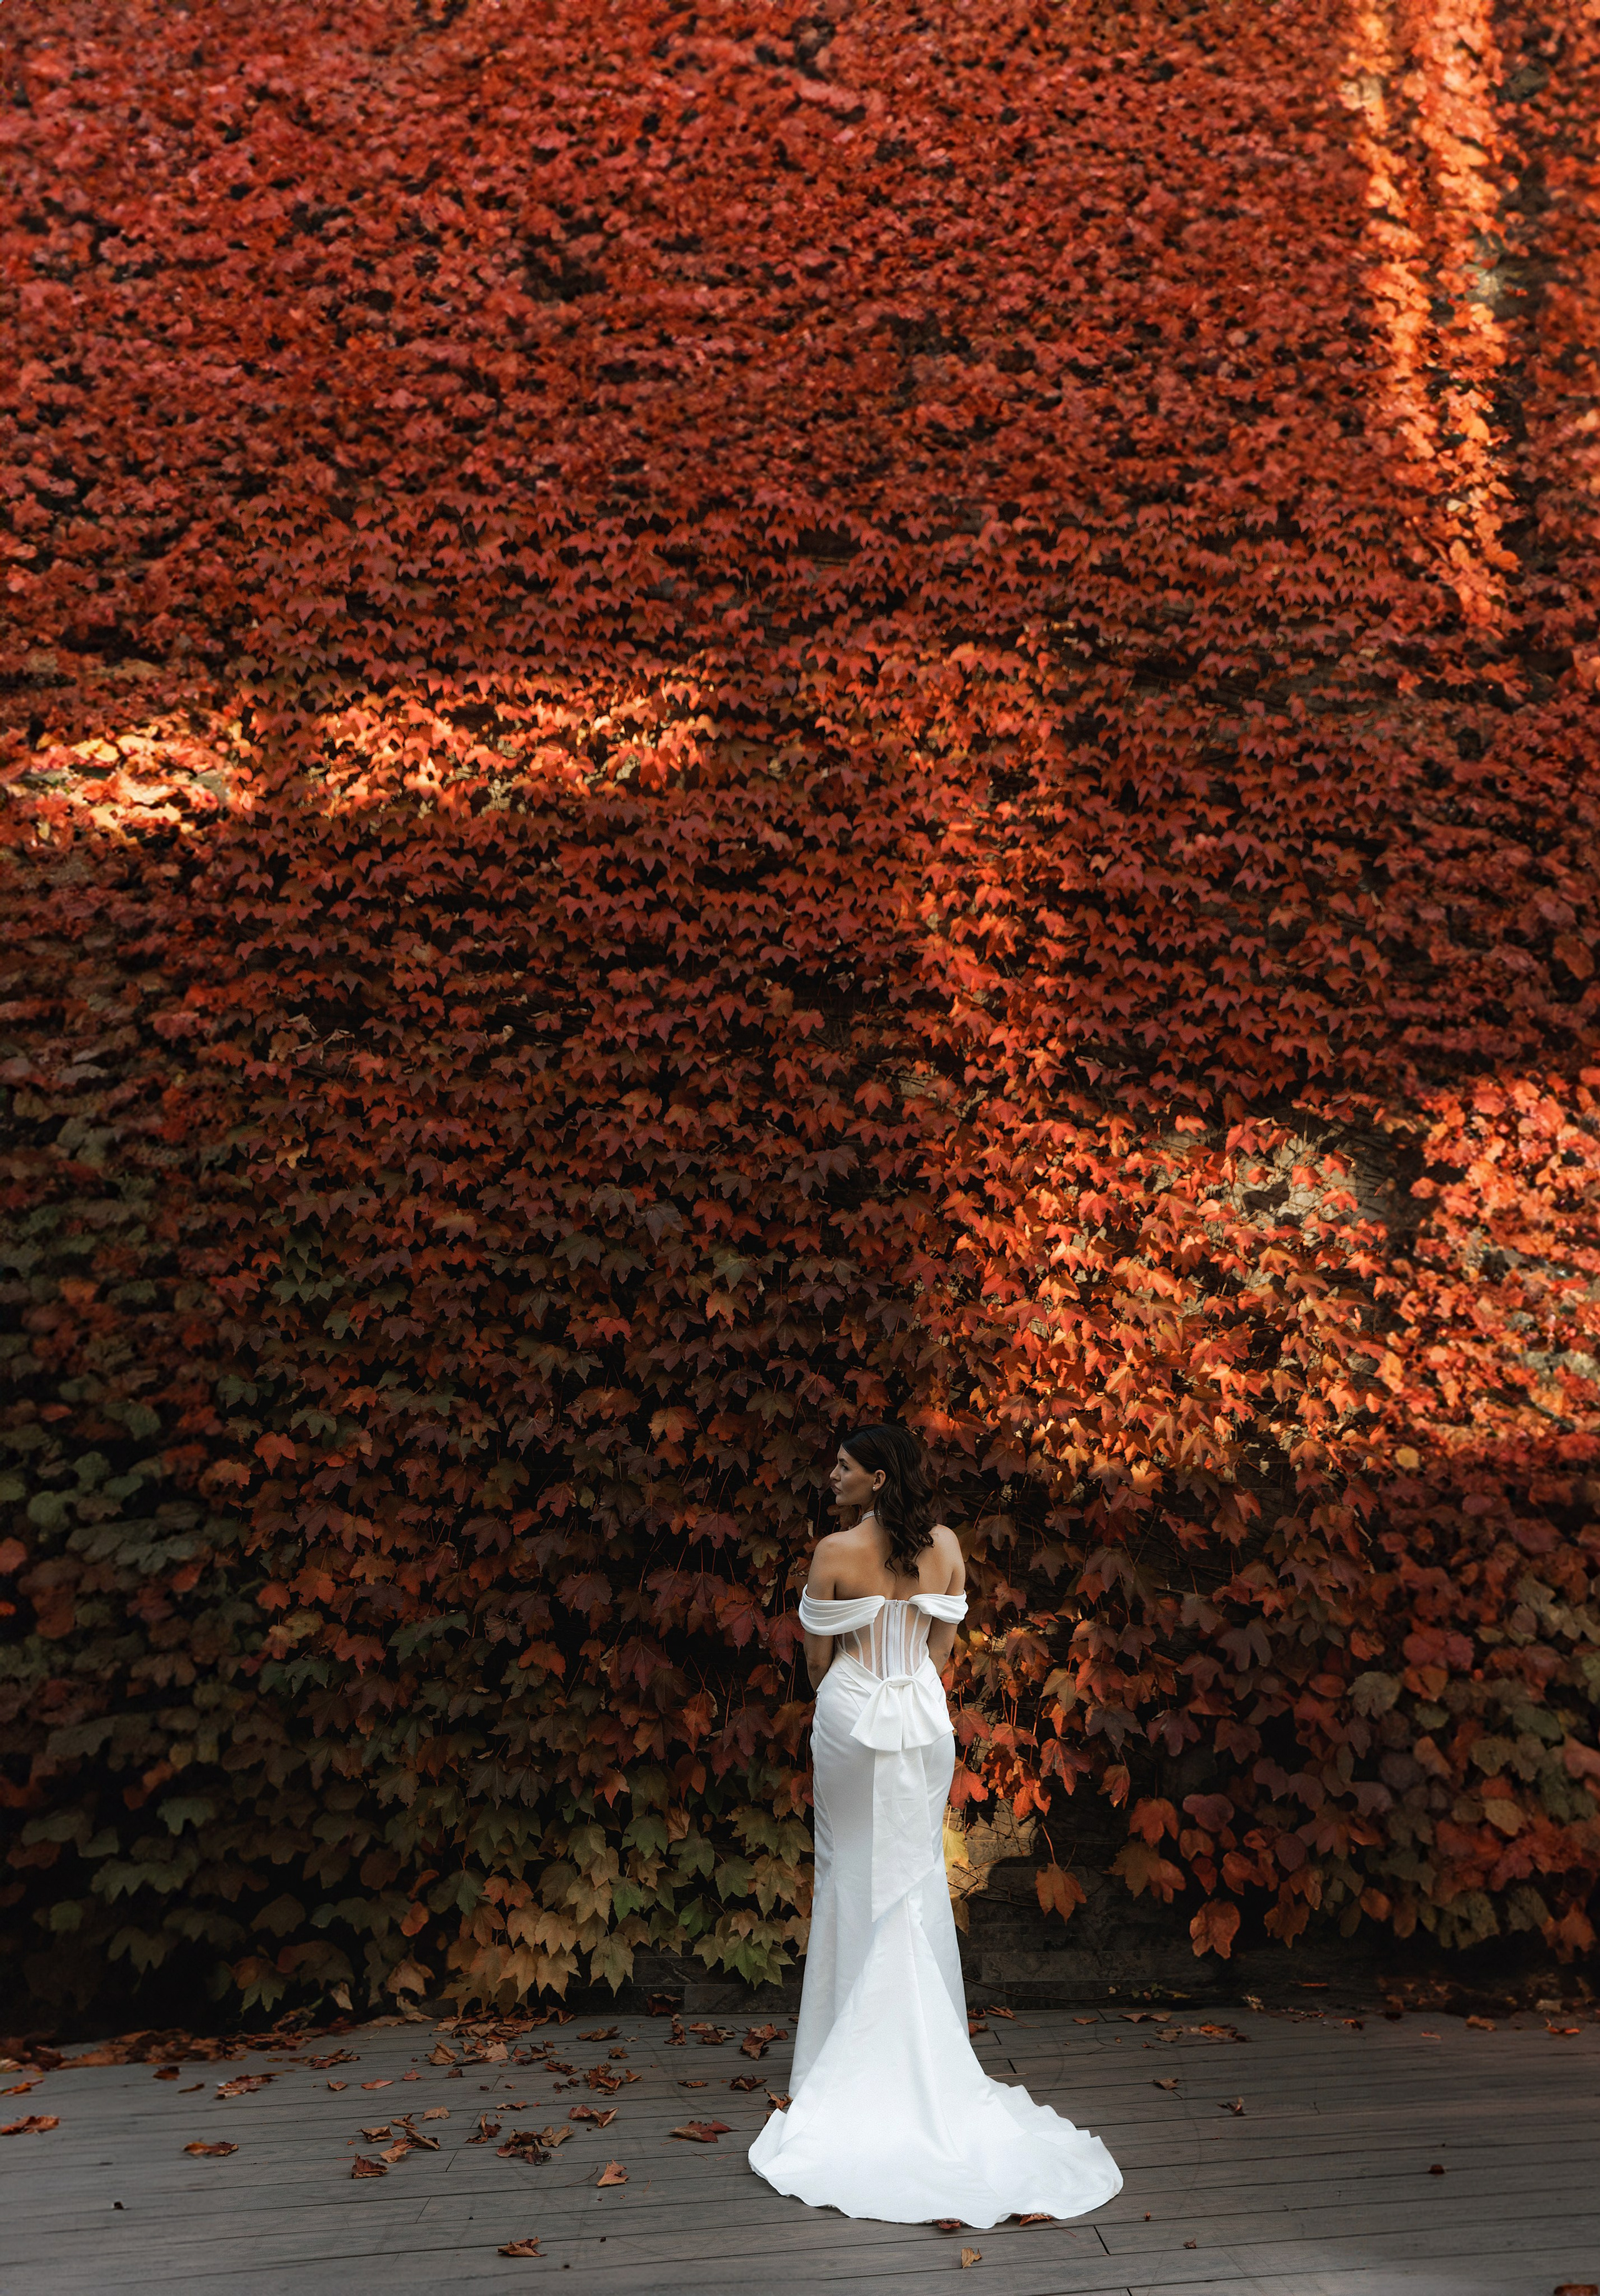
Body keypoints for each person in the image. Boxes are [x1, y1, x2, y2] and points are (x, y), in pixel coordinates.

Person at [748, 1422, 1123, 2227]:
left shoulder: (832, 1554)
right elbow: (941, 1650)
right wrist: (904, 1671)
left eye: (844, 1465)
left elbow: (816, 1664)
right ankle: (921, 2057)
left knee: (850, 1869)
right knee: (913, 1871)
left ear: (879, 1477)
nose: (832, 1474)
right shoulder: (947, 1545)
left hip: (852, 1715)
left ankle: (842, 2060)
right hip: (920, 1717)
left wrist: (854, 1681)